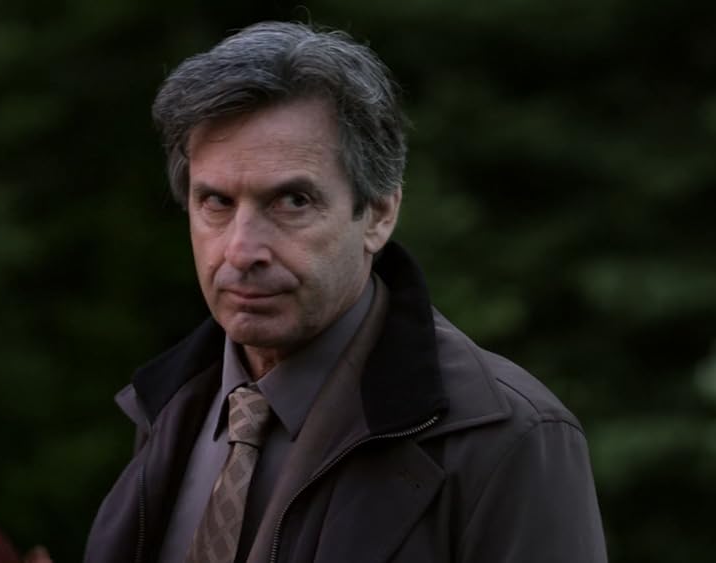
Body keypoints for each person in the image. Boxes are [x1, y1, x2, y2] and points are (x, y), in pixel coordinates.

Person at [84, 21, 607, 563]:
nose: (241, 250)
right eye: (216, 202)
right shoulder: (170, 407)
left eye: (292, 201)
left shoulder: (511, 439)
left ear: (379, 213)